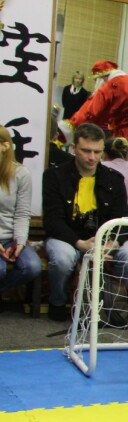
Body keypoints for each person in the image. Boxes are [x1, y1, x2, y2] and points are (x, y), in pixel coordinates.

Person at [41, 123, 128, 322]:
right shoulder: (54, 176)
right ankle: (58, 302)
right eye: (86, 151)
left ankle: (111, 303)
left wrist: (113, 242)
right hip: (67, 237)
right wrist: (79, 243)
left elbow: (123, 218)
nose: (92, 157)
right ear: (73, 148)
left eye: (97, 152)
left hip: (104, 238)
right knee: (62, 259)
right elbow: (53, 221)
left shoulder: (114, 179)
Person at [0, 125, 42, 304]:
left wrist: (19, 241)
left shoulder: (21, 174)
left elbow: (22, 213)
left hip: (11, 237)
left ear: (5, 146)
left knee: (32, 267)